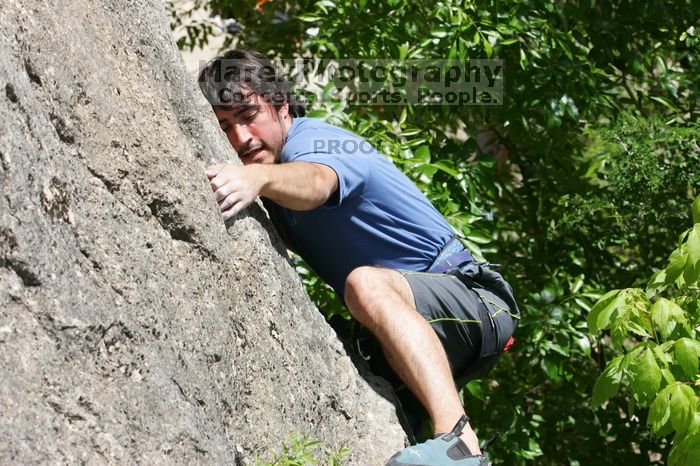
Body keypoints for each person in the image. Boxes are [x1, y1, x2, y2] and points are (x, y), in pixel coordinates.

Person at [198, 49, 519, 466]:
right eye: (225, 127)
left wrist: (257, 177)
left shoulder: (314, 141)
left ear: (279, 104)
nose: (241, 138)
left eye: (247, 114)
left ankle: (461, 444)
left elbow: (317, 181)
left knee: (365, 284)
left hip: (474, 300)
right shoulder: (278, 196)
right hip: (403, 336)